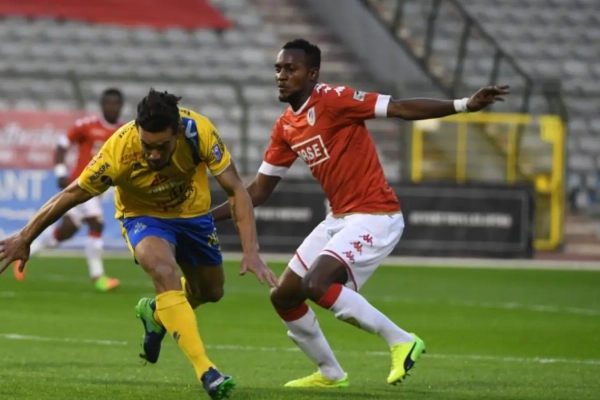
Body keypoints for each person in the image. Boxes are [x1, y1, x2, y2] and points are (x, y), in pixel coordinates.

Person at [211, 38, 510, 388]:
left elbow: (399, 109)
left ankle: (402, 340)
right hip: (338, 218)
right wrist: (204, 217)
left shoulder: (334, 99)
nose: (282, 75)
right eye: (278, 68)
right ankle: (331, 373)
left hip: (376, 215)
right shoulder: (286, 127)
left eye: (291, 69)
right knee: (284, 296)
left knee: (316, 284)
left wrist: (463, 105)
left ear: (312, 74)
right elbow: (257, 192)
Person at [0, 89, 278, 400]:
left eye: (162, 147)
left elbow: (237, 190)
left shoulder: (198, 132)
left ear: (177, 133)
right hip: (142, 217)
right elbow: (71, 194)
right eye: (147, 146)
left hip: (193, 215)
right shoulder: (119, 149)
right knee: (163, 270)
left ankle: (156, 314)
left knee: (210, 292)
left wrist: (251, 251)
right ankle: (207, 371)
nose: (154, 155)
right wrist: (25, 236)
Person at [14, 88, 124, 292]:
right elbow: (62, 144)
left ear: (121, 106)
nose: (112, 107)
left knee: (65, 232)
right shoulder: (87, 125)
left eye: (116, 103)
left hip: (98, 189)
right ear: (102, 105)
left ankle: (23, 251)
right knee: (97, 223)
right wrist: (60, 172)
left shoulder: (122, 132)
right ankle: (98, 277)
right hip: (81, 185)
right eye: (108, 103)